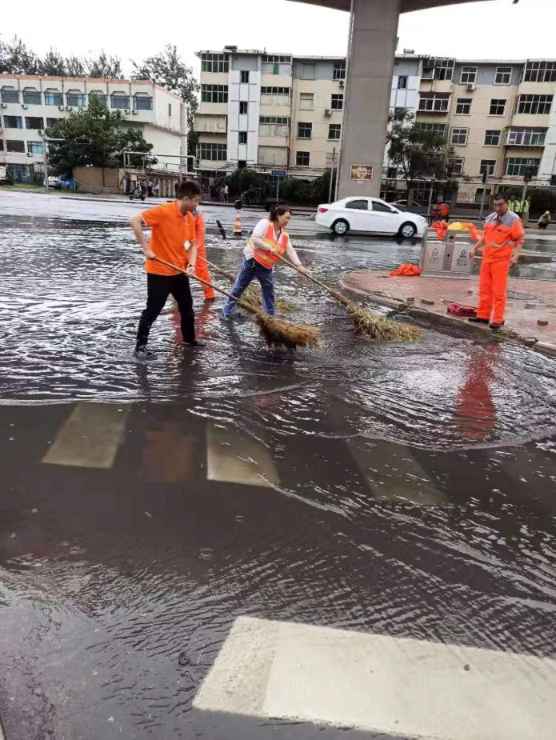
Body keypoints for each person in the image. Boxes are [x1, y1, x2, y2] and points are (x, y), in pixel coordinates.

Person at [130, 180, 203, 359]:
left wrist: (191, 265)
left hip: (179, 271)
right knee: (153, 309)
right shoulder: (163, 211)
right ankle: (140, 347)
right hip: (159, 271)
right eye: (195, 201)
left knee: (187, 307)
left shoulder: (190, 218)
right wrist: (146, 248)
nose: (196, 205)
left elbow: (192, 245)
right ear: (186, 198)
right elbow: (134, 220)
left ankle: (189, 339)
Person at [223, 205, 307, 318]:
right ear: (278, 216)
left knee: (269, 291)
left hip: (266, 265)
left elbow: (290, 250)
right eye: (286, 217)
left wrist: (299, 265)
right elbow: (255, 238)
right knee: (239, 287)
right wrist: (269, 247)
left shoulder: (284, 235)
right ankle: (227, 312)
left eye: (289, 218)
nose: (288, 221)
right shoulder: (265, 224)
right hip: (252, 261)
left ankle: (270, 317)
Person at [468, 194, 525, 331]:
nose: (498, 207)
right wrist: (474, 248)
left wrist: (515, 256)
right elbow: (485, 237)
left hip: (501, 260)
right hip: (487, 259)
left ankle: (498, 319)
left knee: (498, 291)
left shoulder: (513, 219)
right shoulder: (490, 218)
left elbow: (519, 240)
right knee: (484, 288)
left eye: (501, 204)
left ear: (507, 204)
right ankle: (483, 315)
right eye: (496, 205)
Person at [192, 207, 216, 301]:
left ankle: (209, 296)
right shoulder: (179, 213)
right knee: (177, 273)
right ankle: (176, 299)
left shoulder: (197, 216)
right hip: (182, 247)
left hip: (196, 248)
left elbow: (200, 237)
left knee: (202, 272)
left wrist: (192, 249)